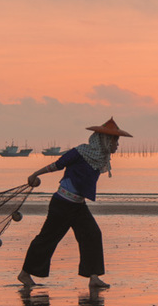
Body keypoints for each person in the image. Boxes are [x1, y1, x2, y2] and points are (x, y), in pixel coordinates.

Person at [17, 118, 132, 290]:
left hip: (78, 205)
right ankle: (25, 273)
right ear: (105, 140)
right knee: (48, 238)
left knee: (92, 234)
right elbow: (58, 164)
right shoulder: (81, 152)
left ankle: (93, 277)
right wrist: (35, 173)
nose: (117, 144)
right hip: (62, 204)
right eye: (115, 140)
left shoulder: (101, 158)